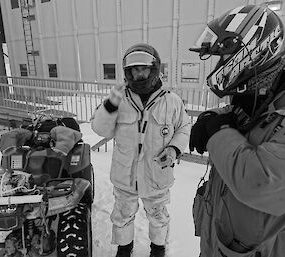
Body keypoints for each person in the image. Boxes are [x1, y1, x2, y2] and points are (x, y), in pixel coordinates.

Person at [189, 4, 285, 257]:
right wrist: (215, 117)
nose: (222, 63)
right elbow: (253, 118)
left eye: (226, 56)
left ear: (257, 51)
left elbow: (261, 182)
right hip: (218, 242)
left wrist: (218, 133)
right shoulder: (257, 93)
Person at [91, 43, 190, 257]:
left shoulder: (171, 100)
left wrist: (173, 149)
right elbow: (101, 130)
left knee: (158, 215)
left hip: (156, 174)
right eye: (134, 70)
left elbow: (183, 127)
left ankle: (158, 249)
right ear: (128, 72)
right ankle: (124, 249)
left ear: (154, 69)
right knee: (123, 214)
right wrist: (110, 105)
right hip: (125, 174)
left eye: (143, 69)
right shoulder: (119, 98)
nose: (139, 74)